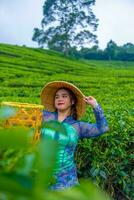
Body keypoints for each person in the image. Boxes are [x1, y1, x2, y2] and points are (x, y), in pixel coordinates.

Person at [40, 81, 109, 190]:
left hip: (65, 179)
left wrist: (95, 105)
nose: (59, 99)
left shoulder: (78, 126)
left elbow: (103, 128)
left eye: (64, 96)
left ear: (72, 101)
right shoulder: (43, 116)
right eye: (57, 97)